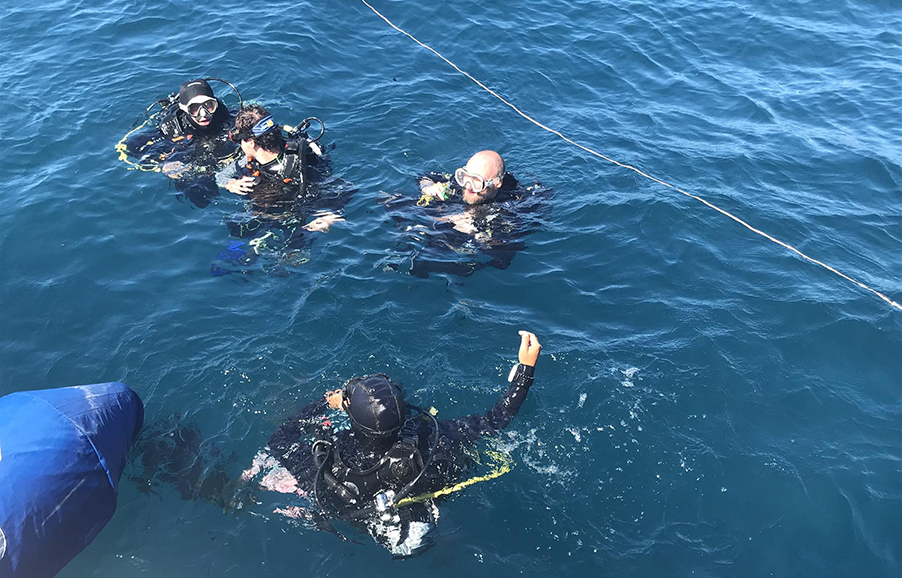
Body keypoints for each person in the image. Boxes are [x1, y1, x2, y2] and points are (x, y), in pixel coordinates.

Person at [232, 330, 543, 557]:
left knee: (268, 472)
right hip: (421, 490)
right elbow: (495, 420)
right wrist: (524, 372)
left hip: (355, 510)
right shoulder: (435, 438)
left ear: (351, 419)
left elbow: (280, 439)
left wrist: (323, 404)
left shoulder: (332, 462)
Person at [381, 150, 551, 278]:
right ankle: (404, 238)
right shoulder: (459, 184)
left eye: (477, 181)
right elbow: (424, 175)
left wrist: (476, 234)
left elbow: (504, 257)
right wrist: (428, 187)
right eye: (465, 177)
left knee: (429, 256)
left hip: (466, 237)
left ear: (497, 183)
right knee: (392, 199)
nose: (468, 186)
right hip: (445, 217)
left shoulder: (513, 205)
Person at [121, 79, 239, 208]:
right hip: (187, 151)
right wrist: (162, 163)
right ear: (184, 108)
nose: (204, 114)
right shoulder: (173, 127)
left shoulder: (223, 115)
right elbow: (132, 146)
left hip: (215, 147)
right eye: (194, 108)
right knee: (201, 197)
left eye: (209, 105)